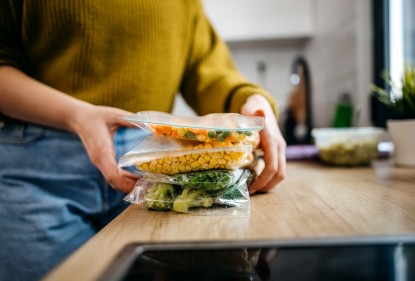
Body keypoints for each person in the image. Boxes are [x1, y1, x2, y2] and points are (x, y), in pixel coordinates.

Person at [0, 1, 286, 280]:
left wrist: (252, 102)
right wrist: (77, 115)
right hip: (36, 175)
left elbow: (206, 70)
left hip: (157, 171)